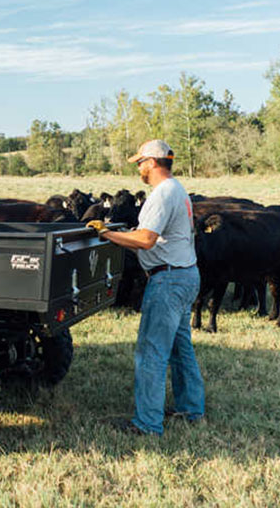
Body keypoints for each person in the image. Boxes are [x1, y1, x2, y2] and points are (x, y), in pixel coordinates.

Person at [86, 139, 204, 435]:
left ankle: (147, 424)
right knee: (180, 347)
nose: (138, 167)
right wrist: (126, 234)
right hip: (186, 274)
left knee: (151, 352)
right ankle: (191, 408)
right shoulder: (177, 189)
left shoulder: (163, 194)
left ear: (152, 162)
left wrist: (107, 234)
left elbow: (146, 240)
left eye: (140, 162)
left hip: (168, 280)